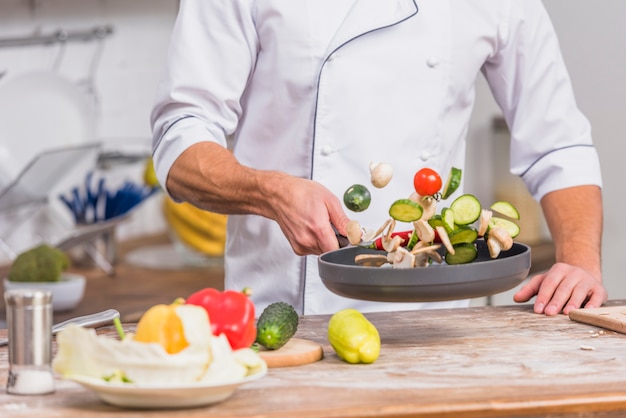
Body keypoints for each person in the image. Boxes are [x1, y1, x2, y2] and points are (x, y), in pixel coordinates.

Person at [151, 0, 606, 316]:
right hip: (286, 318)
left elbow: (558, 142)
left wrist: (581, 261)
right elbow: (181, 138)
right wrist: (272, 193)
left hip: (435, 320)